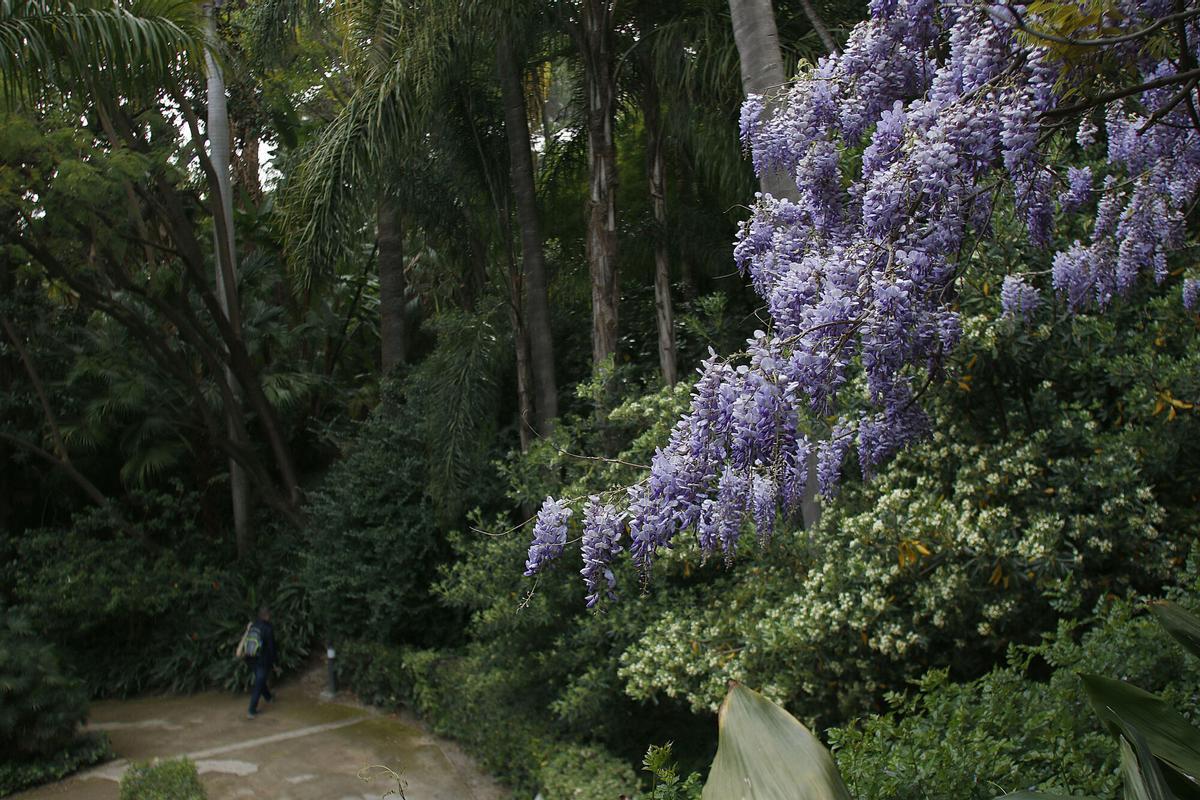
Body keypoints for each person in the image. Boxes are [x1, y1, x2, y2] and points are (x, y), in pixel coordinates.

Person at [244, 605, 277, 720]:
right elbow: (271, 647)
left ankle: (268, 697)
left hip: (250, 658)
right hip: (262, 659)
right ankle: (251, 710)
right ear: (267, 615)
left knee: (260, 679)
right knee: (259, 683)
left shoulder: (253, 625)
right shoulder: (268, 628)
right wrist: (274, 661)